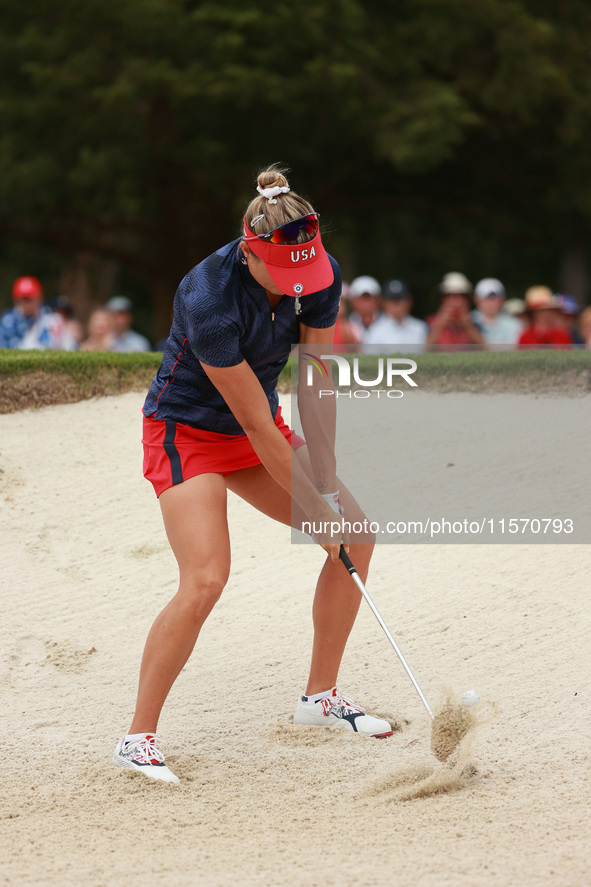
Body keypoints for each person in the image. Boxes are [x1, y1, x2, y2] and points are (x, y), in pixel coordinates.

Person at [112, 167, 391, 785]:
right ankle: (137, 738)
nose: (299, 287)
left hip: (257, 423)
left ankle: (319, 698)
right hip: (185, 432)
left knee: (358, 532)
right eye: (284, 274)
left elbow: (316, 384)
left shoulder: (320, 275)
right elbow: (255, 428)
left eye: (306, 273)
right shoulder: (207, 295)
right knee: (207, 576)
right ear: (249, 253)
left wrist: (325, 478)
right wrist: (315, 515)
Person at [0, 276, 71, 350]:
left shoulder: (51, 318)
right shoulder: (9, 320)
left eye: (28, 299)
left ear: (39, 298)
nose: (25, 303)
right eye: (22, 299)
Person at [363, 279, 428, 353]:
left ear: (409, 301)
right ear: (384, 303)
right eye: (392, 300)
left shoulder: (420, 327)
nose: (397, 305)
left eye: (400, 299)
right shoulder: (375, 330)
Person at [426, 272, 485, 349]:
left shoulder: (476, 322)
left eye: (461, 297)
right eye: (451, 297)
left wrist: (469, 326)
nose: (456, 302)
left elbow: (486, 350)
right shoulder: (430, 322)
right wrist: (439, 326)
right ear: (443, 299)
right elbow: (424, 351)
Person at [471, 278, 521, 346]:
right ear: (477, 300)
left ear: (503, 300)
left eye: (495, 298)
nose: (492, 303)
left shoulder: (514, 324)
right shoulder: (470, 320)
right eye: (487, 298)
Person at [347, 275, 381, 345]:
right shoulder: (344, 326)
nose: (364, 303)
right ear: (352, 301)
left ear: (377, 300)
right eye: (361, 298)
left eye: (367, 298)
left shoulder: (393, 325)